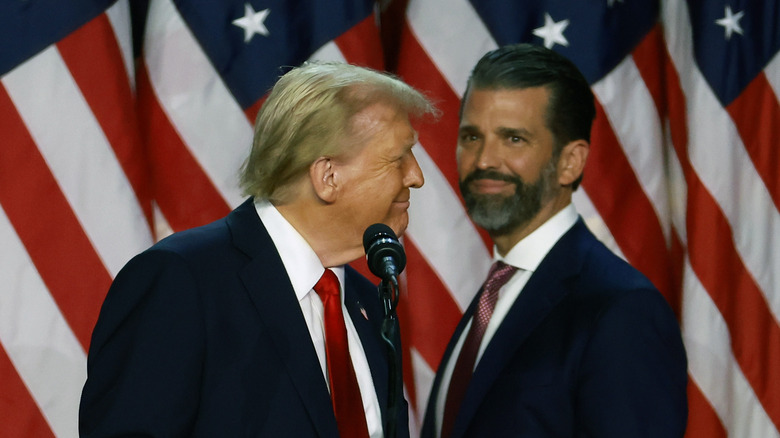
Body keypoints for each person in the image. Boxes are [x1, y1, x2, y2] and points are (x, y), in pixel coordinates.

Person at [79, 61, 436, 437]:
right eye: (399, 158)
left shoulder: (369, 303)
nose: (417, 177)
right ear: (327, 176)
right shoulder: (183, 282)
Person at [421, 44, 688, 438]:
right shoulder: (495, 293)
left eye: (513, 139)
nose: (483, 160)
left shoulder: (621, 310)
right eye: (472, 136)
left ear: (571, 162)